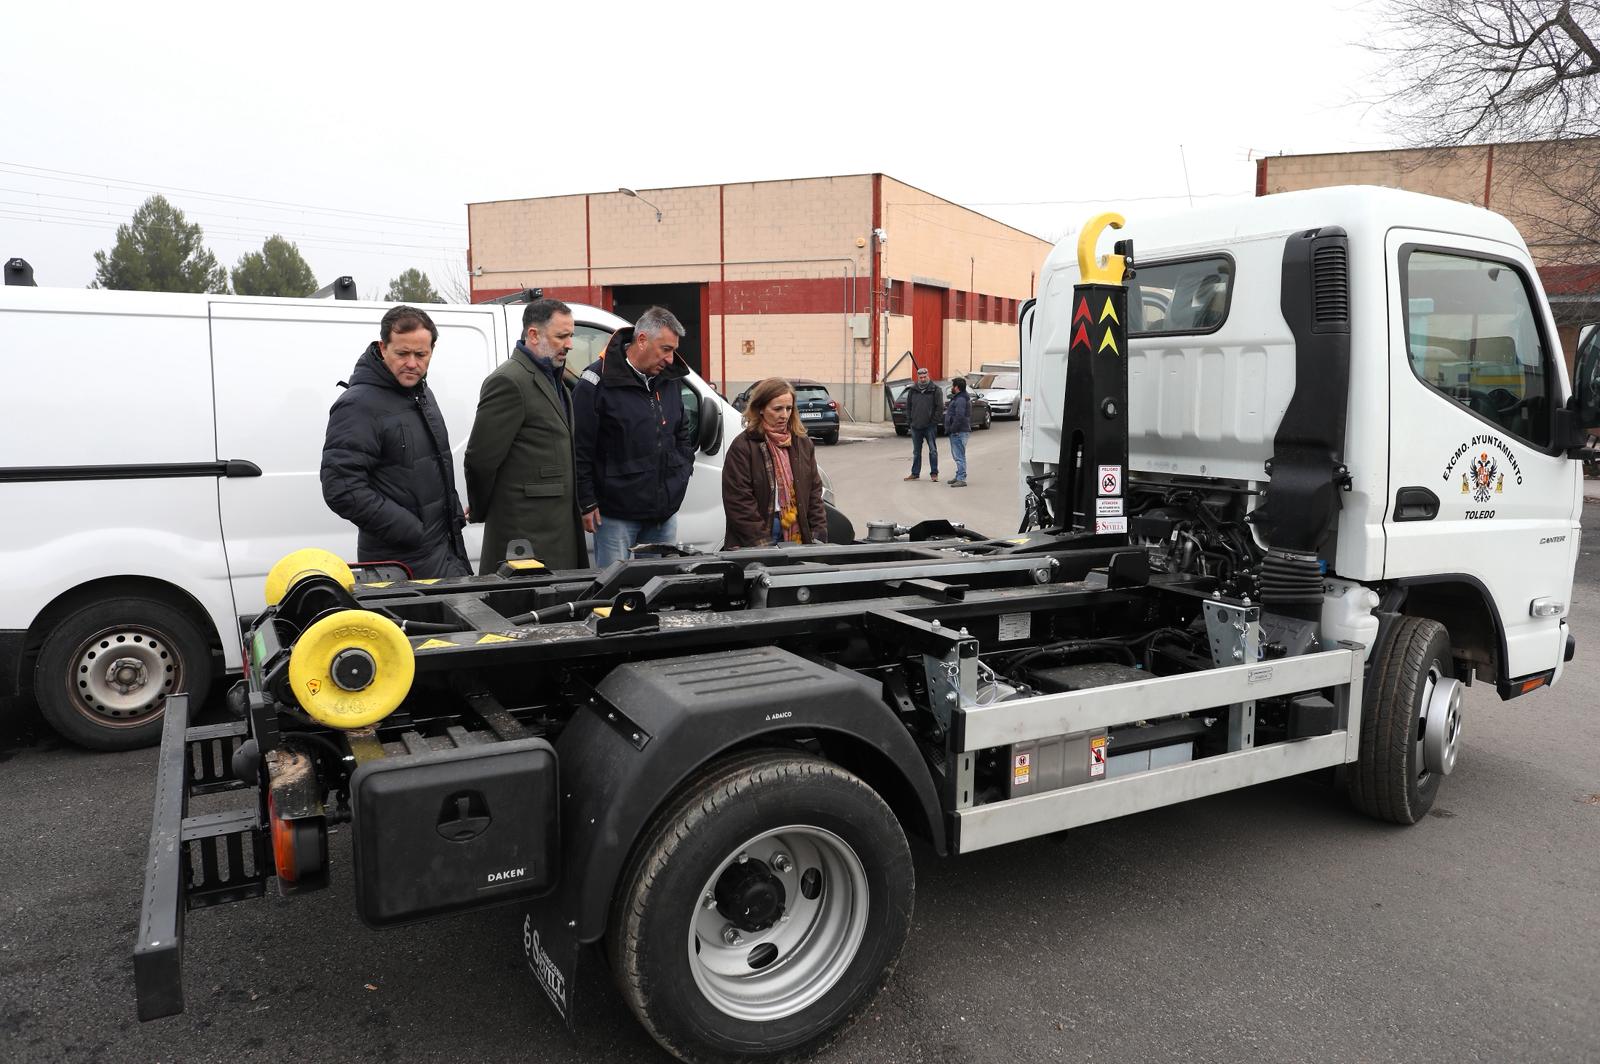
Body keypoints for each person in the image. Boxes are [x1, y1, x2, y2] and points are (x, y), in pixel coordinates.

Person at [320, 304, 471, 578]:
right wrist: (411, 529)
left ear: (432, 351)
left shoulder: (421, 393)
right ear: (383, 348)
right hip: (399, 565)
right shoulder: (357, 405)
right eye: (402, 353)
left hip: (445, 553)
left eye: (421, 354)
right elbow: (341, 488)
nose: (412, 363)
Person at [463, 298, 587, 572]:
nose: (569, 344)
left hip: (556, 530)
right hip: (525, 535)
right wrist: (482, 509)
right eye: (561, 336)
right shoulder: (509, 381)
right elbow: (480, 460)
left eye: (571, 336)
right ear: (533, 335)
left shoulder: (556, 382)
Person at [573, 306, 695, 567]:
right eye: (666, 349)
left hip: (663, 514)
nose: (671, 359)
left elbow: (681, 433)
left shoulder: (670, 380)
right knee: (615, 592)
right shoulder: (596, 382)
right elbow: (580, 449)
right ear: (642, 340)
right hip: (616, 516)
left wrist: (682, 471)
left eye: (673, 350)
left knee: (659, 589)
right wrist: (586, 501)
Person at [721, 377, 828, 548]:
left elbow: (814, 493)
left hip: (797, 532)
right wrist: (762, 543)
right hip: (758, 535)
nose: (784, 415)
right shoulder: (743, 447)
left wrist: (818, 533)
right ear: (761, 408)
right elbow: (739, 503)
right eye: (777, 409)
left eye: (789, 408)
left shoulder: (802, 443)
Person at [903, 367, 943, 482]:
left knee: (933, 450)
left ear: (928, 376)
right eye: (921, 377)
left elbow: (939, 408)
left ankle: (934, 473)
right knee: (916, 452)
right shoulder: (913, 390)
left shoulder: (935, 390)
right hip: (916, 426)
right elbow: (909, 406)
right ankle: (915, 473)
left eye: (925, 377)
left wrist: (933, 422)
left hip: (929, 426)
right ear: (918, 377)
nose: (923, 379)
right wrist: (910, 421)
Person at [944, 376, 971, 487]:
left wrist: (953, 429)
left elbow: (959, 416)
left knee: (959, 456)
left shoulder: (960, 399)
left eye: (952, 386)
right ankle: (959, 475)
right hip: (958, 431)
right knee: (958, 455)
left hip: (958, 432)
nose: (951, 388)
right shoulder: (959, 397)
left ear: (956, 387)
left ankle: (961, 478)